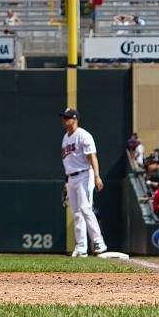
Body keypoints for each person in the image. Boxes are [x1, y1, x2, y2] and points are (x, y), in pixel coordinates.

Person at [60, 108, 122, 259]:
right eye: (63, 117)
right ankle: (81, 247)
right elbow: (68, 162)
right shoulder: (66, 138)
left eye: (67, 117)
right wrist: (67, 181)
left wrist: (97, 175)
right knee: (76, 213)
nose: (64, 120)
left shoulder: (83, 135)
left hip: (84, 175)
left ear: (75, 119)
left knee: (85, 208)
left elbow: (92, 156)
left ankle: (99, 242)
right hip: (72, 177)